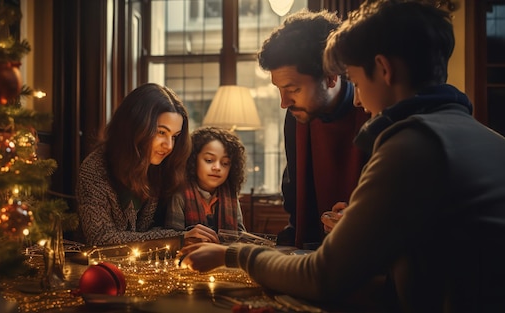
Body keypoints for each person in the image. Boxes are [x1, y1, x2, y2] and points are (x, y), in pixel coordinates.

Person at [178, 1, 505, 312]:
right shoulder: (488, 139)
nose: (359, 101)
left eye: (357, 81)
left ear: (383, 69)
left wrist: (231, 253)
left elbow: (323, 277)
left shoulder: (412, 144)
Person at [258, 9, 371, 248]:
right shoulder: (297, 115)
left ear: (331, 77)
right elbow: (295, 193)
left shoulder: (370, 108)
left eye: (293, 89)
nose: (284, 103)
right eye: (279, 89)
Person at [76, 83, 218, 247]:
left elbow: (154, 229)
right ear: (135, 126)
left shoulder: (160, 166)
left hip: (145, 265)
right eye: (161, 132)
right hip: (97, 268)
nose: (169, 146)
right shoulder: (95, 169)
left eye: (174, 136)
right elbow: (101, 239)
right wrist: (178, 238)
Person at [165, 126, 247, 238]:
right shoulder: (180, 194)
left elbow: (240, 237)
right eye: (209, 160)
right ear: (193, 159)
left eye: (225, 163)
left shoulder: (231, 196)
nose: (217, 167)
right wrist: (186, 236)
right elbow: (171, 238)